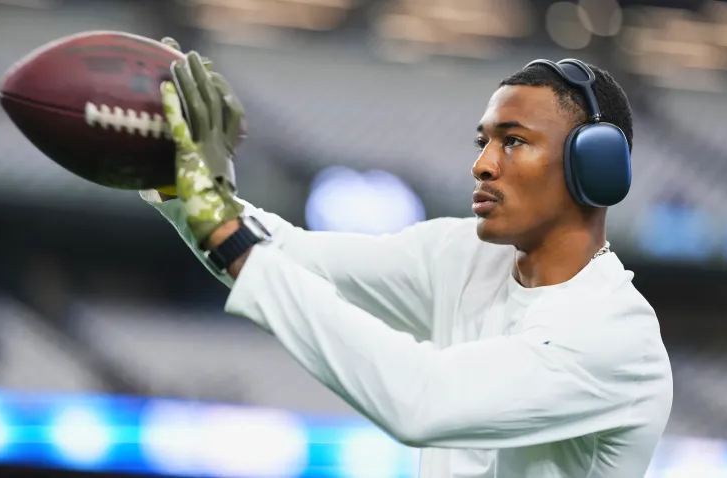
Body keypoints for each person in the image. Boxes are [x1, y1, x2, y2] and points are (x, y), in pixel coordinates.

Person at [142, 38, 673, 478]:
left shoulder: (617, 337)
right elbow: (288, 256)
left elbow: (423, 401)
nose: (482, 165)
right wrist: (183, 190)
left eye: (513, 142)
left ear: (595, 167)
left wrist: (224, 225)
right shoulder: (461, 253)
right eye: (482, 140)